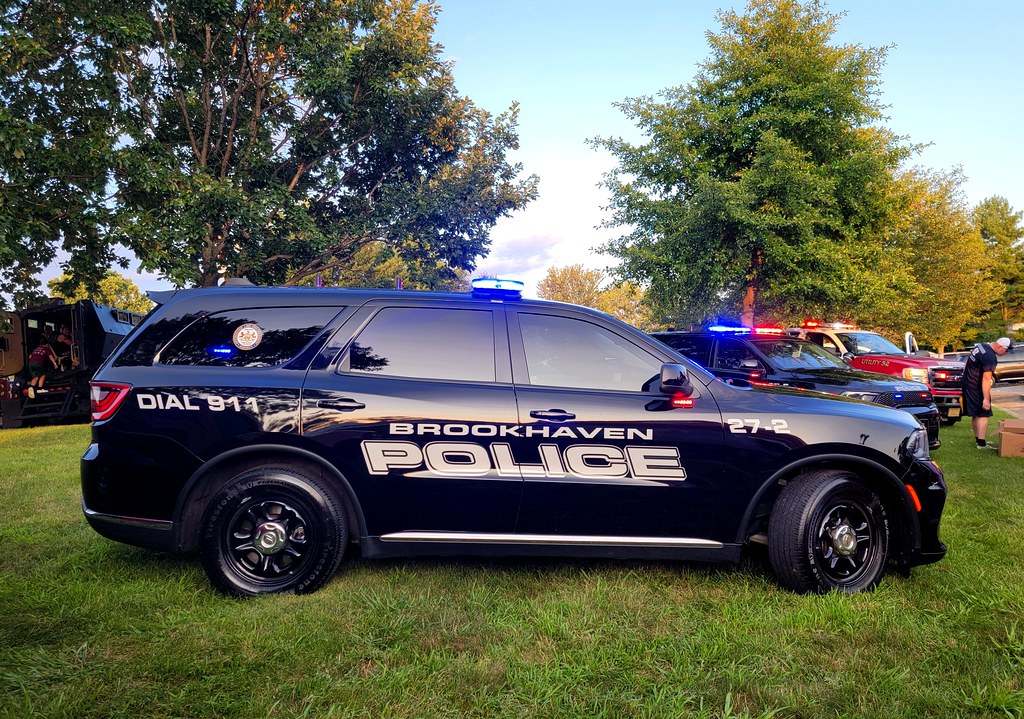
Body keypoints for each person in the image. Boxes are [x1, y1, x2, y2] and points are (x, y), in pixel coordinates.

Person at [961, 336, 1014, 449]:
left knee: (976, 413)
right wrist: (986, 399)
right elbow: (986, 379)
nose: (1005, 353)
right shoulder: (989, 357)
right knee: (983, 413)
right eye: (1006, 350)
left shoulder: (981, 346)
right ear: (1000, 347)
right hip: (976, 386)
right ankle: (981, 444)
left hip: (968, 383)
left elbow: (967, 363)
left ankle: (978, 440)